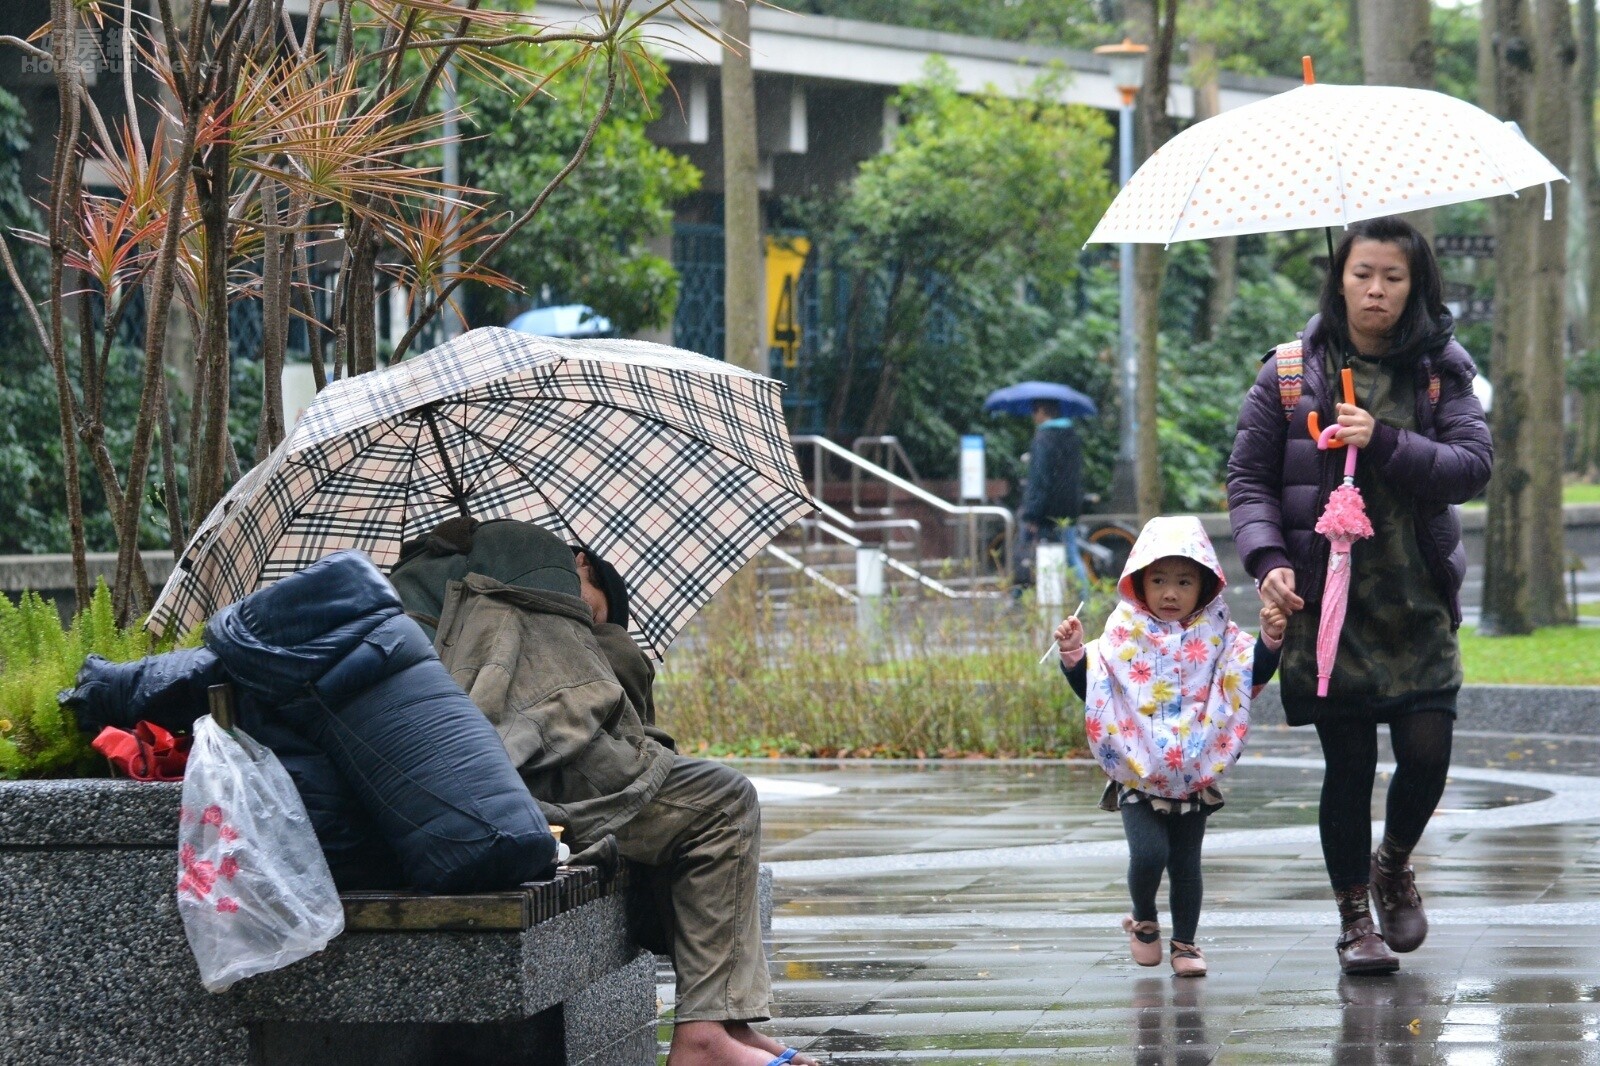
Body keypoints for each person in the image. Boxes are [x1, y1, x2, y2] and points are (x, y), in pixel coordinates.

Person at [390, 520, 815, 1066]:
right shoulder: (538, 561)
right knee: (720, 802)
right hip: (512, 792)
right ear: (582, 565)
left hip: (441, 797)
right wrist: (612, 641)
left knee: (684, 812)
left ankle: (727, 1023)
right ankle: (706, 1035)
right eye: (595, 610)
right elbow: (616, 750)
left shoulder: (412, 578)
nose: (591, 626)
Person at [1226, 216, 1493, 975]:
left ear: (1416, 287)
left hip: (1413, 599)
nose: (1375, 290)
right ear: (1338, 278)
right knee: (1347, 768)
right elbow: (1247, 480)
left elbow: (1472, 467)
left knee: (1427, 751)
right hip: (1325, 606)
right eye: (1362, 274)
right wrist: (1268, 558)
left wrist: (1381, 438)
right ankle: (1353, 920)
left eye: (1393, 278)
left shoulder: (1441, 372)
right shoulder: (1287, 373)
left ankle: (1393, 862)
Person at [1053, 515, 1285, 978]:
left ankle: (1186, 944)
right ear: (1139, 582)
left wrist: (1272, 638)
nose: (1171, 593)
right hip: (1138, 767)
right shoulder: (1124, 633)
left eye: (1184, 581)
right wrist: (1075, 653)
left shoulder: (1219, 634)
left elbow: (1249, 673)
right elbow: (1098, 688)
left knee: (1186, 863)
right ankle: (1143, 920)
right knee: (1149, 854)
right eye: (1158, 581)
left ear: (1206, 586)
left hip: (1194, 767)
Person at [1018, 399, 1091, 592]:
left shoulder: (1043, 438)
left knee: (1027, 553)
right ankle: (1084, 599)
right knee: (1071, 554)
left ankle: (1018, 595)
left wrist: (1032, 514)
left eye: (1034, 411)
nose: (1033, 416)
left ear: (1043, 411)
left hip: (1047, 511)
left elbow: (1039, 480)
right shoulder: (1072, 436)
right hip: (1069, 507)